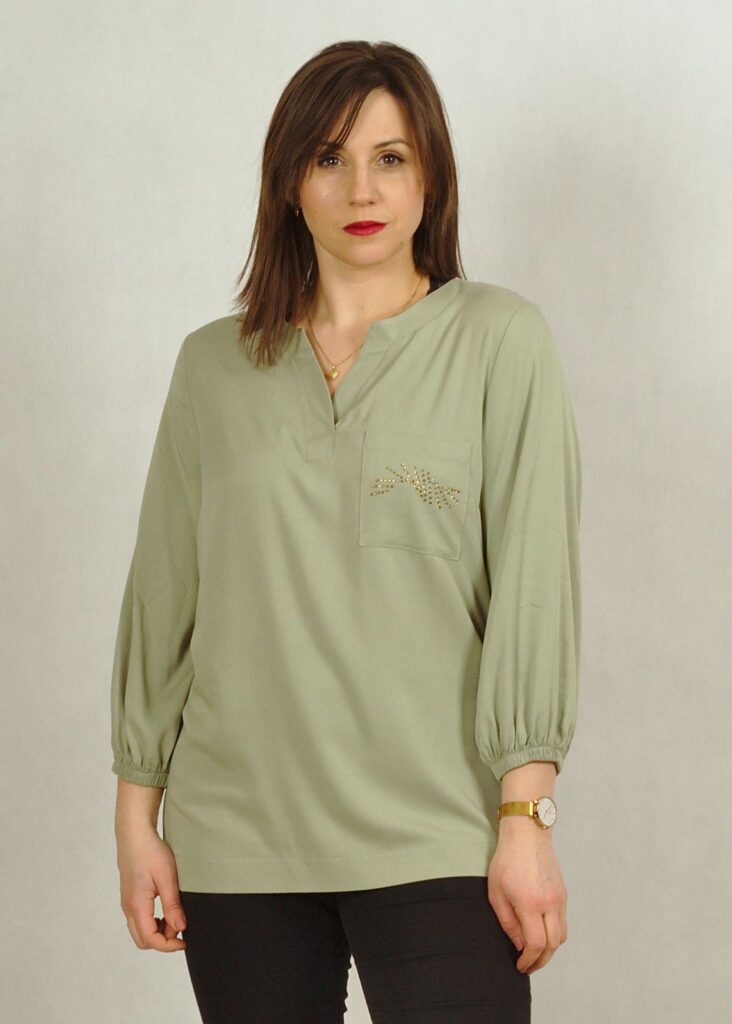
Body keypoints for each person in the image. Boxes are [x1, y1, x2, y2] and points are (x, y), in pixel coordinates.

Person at [111, 39, 582, 1024]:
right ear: (290, 183)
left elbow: (533, 593)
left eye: (390, 157)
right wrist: (136, 815)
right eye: (329, 157)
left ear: (430, 176)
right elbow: (164, 596)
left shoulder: (499, 342)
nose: (361, 188)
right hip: (239, 844)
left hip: (440, 834)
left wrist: (525, 817)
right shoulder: (213, 368)